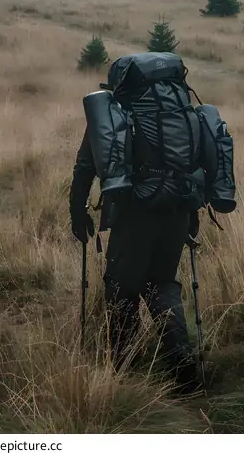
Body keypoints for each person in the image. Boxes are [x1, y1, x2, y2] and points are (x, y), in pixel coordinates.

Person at [69, 57, 202, 394]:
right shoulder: (184, 113)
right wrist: (193, 215)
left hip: (135, 213)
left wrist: (77, 210)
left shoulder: (114, 113)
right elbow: (194, 166)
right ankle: (182, 366)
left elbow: (85, 166)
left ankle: (124, 369)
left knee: (121, 288)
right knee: (163, 284)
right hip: (178, 211)